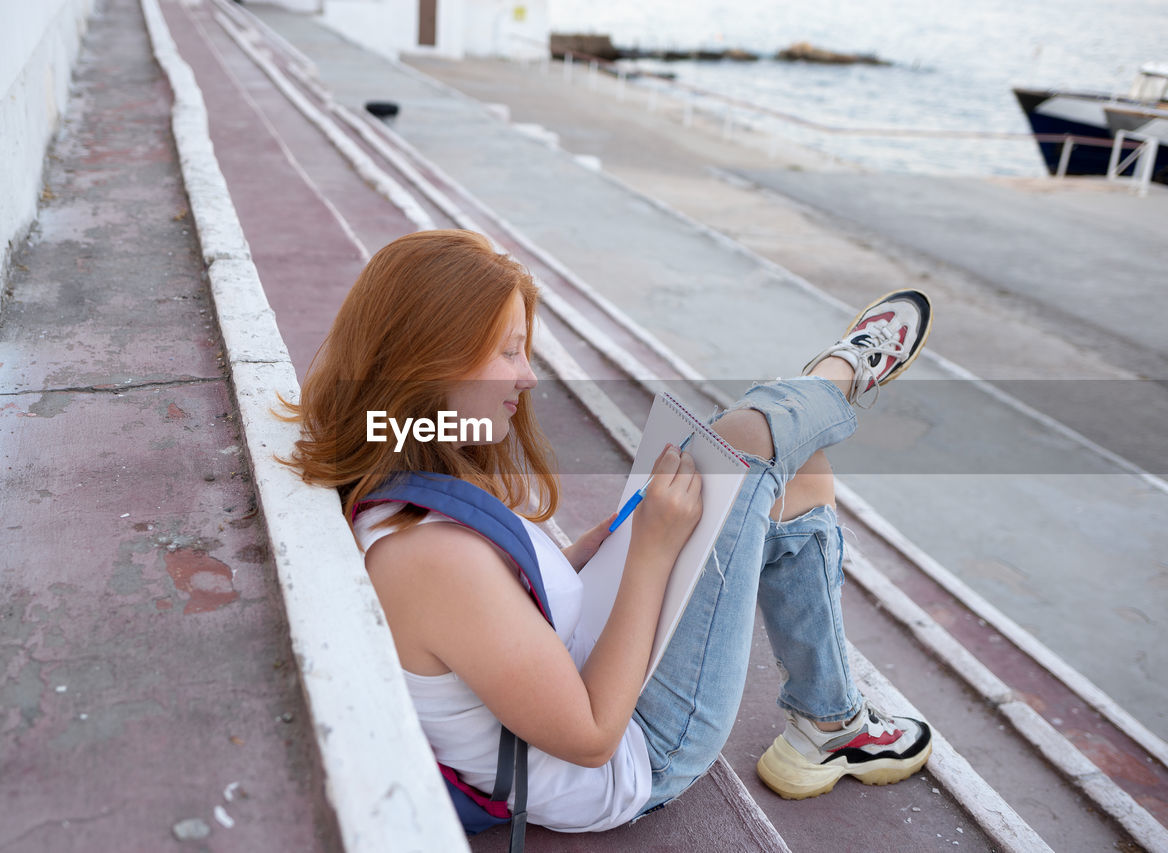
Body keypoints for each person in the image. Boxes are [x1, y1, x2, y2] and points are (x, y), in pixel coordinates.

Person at [284, 229, 934, 833]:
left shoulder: (392, 472)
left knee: (785, 457)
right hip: (635, 751)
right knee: (751, 439)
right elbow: (593, 735)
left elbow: (482, 622)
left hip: (585, 665)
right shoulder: (431, 557)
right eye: (509, 350)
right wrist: (648, 553)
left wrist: (586, 551)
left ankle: (830, 719)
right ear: (432, 360)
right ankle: (844, 372)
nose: (528, 375)